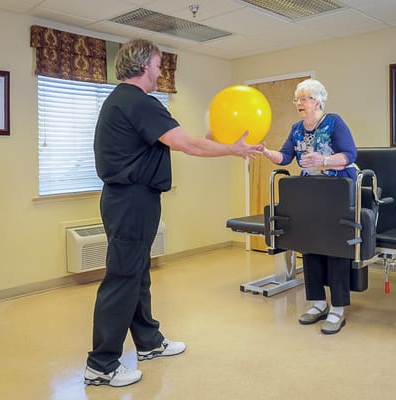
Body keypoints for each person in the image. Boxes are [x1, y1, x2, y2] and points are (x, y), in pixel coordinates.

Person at [85, 38, 263, 388]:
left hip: (129, 198)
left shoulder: (122, 101)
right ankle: (101, 364)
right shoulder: (139, 101)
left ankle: (149, 342)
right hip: (131, 200)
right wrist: (232, 148)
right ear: (142, 66)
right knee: (123, 277)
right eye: (157, 64)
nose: (160, 70)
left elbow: (185, 139)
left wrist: (215, 138)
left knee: (136, 273)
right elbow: (190, 145)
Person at [261, 79, 357, 335]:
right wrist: (269, 153)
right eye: (297, 100)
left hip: (337, 192)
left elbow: (350, 154)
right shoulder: (296, 129)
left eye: (303, 99)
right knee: (311, 245)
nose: (298, 104)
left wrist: (323, 159)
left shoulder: (334, 122)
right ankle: (317, 303)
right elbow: (286, 156)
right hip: (309, 194)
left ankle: (338, 310)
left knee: (335, 250)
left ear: (317, 101)